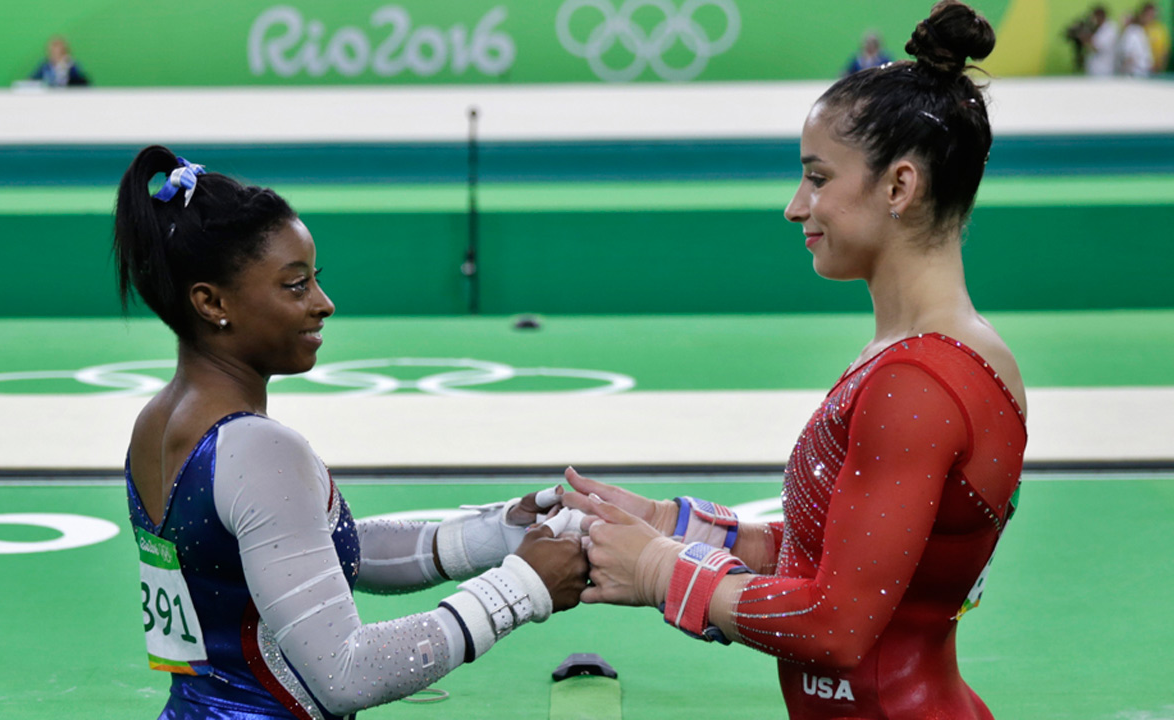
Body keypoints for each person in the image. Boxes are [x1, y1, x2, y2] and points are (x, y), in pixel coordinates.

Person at [562, 2, 1027, 718]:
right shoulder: (921, 356)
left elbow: (837, 626)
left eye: (817, 178)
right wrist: (671, 524)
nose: (794, 206)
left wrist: (661, 571)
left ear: (899, 187)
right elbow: (851, 557)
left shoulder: (919, 382)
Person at [113, 145, 588, 719]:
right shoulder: (257, 449)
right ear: (212, 302)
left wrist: (495, 535)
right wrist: (520, 589)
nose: (324, 304)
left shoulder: (155, 424)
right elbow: (346, 673)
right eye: (295, 285)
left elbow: (300, 554)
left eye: (316, 279)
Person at [1084, 5, 1121, 75]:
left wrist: (1085, 38)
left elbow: (1098, 47)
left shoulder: (1110, 29)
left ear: (1099, 16)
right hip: (1096, 69)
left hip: (1104, 69)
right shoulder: (1099, 29)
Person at [1138, 2, 1170, 72]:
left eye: (1152, 14)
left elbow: (1165, 51)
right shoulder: (1138, 29)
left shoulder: (1160, 29)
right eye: (1148, 14)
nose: (1150, 16)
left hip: (1157, 68)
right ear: (1143, 14)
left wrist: (1160, 66)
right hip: (1141, 68)